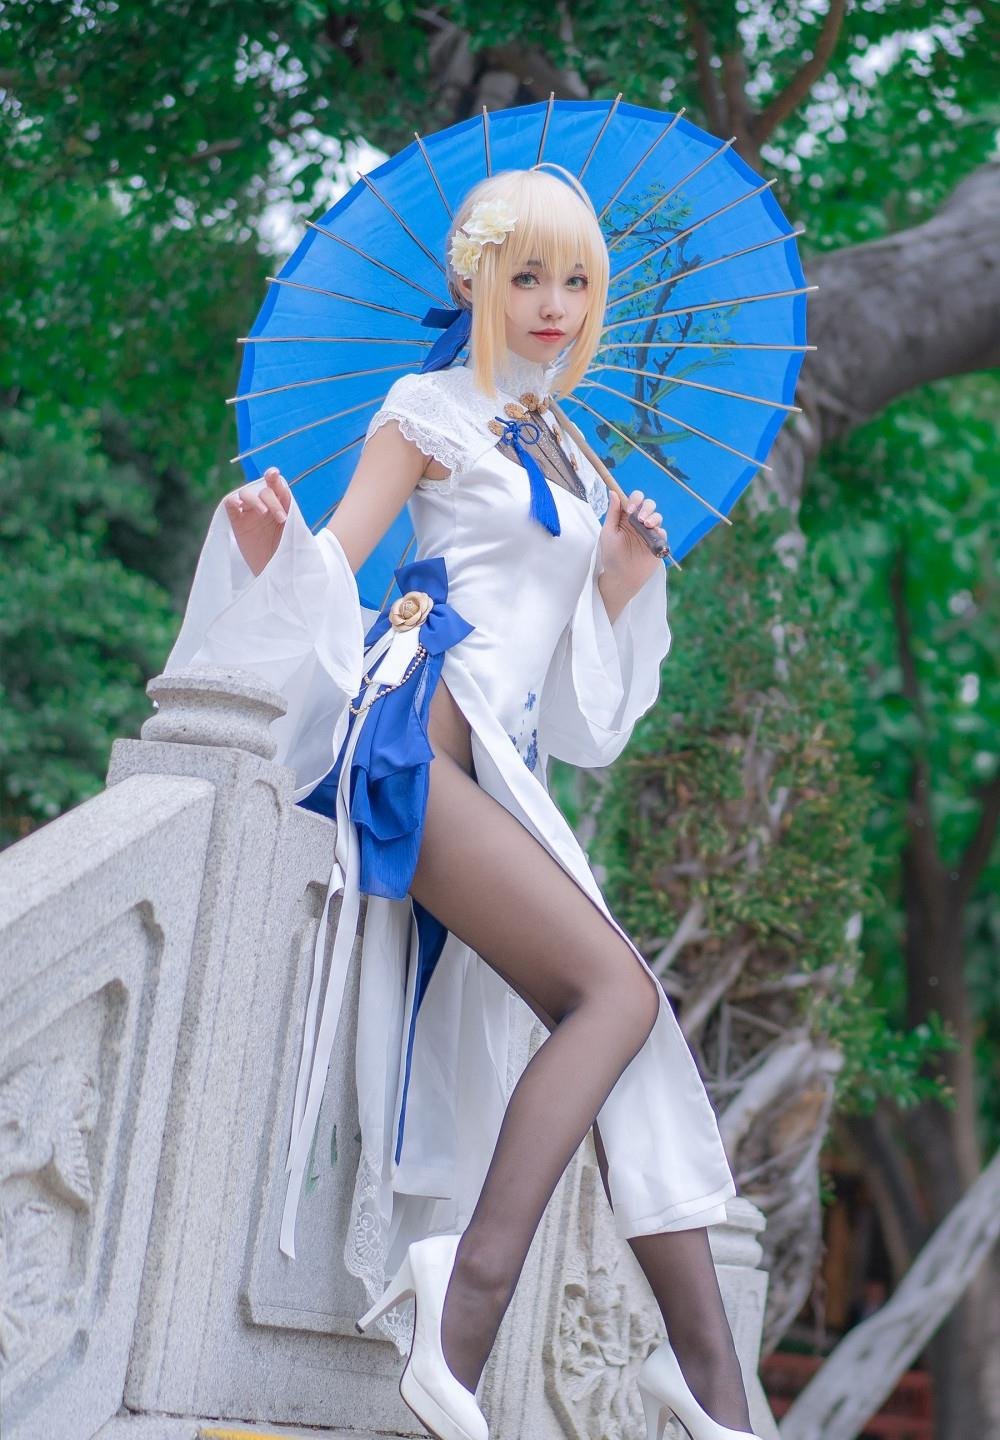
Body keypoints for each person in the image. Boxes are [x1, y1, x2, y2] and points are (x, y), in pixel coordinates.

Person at [163, 164, 760, 1440]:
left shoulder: (573, 448)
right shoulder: (426, 409)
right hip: (411, 742)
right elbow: (341, 553)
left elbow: (585, 721)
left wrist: (621, 579)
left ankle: (709, 1382)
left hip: (507, 768)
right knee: (616, 999)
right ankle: (474, 1296)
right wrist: (269, 556)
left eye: (577, 280)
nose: (553, 303)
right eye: (526, 274)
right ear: (477, 279)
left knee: (630, 1025)